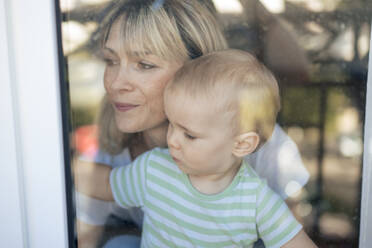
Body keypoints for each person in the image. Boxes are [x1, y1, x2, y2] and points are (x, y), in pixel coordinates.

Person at [73, 0, 309, 247]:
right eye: (110, 61)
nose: (116, 83)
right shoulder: (116, 157)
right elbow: (88, 231)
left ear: (196, 70)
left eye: (144, 64)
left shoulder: (255, 141)